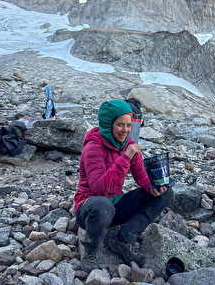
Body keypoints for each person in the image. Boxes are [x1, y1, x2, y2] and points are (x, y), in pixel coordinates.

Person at [74, 99, 174, 273]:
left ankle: (124, 237)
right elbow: (99, 189)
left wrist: (152, 187)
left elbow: (140, 175)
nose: (126, 130)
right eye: (120, 125)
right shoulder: (93, 148)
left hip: (116, 206)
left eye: (128, 125)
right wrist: (125, 157)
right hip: (90, 208)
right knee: (102, 204)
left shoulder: (127, 144)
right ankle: (90, 252)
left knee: (166, 194)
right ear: (108, 124)